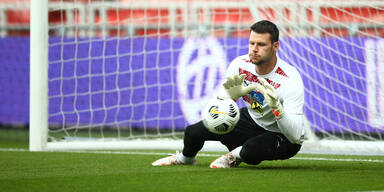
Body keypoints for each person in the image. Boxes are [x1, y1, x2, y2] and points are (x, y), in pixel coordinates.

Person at [152, 20, 305, 168]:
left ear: (275, 46)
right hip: (253, 120)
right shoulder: (239, 65)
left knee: (251, 150)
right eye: (252, 43)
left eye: (261, 44)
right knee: (193, 132)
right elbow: (221, 104)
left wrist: (276, 107)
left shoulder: (290, 79)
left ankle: (234, 156)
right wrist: (230, 98)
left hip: (282, 135)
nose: (254, 49)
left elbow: (295, 135)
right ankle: (185, 159)